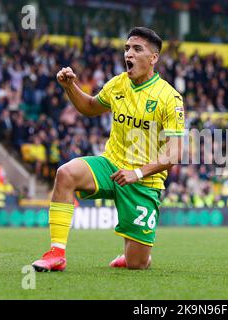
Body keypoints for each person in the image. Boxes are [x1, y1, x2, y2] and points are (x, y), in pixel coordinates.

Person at [32, 27, 184, 271]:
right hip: (110, 165)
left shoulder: (170, 98)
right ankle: (56, 254)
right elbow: (91, 107)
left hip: (143, 182)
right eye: (126, 49)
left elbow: (174, 153)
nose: (129, 54)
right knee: (65, 173)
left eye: (137, 49)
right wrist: (70, 87)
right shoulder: (118, 84)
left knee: (137, 265)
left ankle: (136, 256)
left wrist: (137, 173)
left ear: (153, 58)